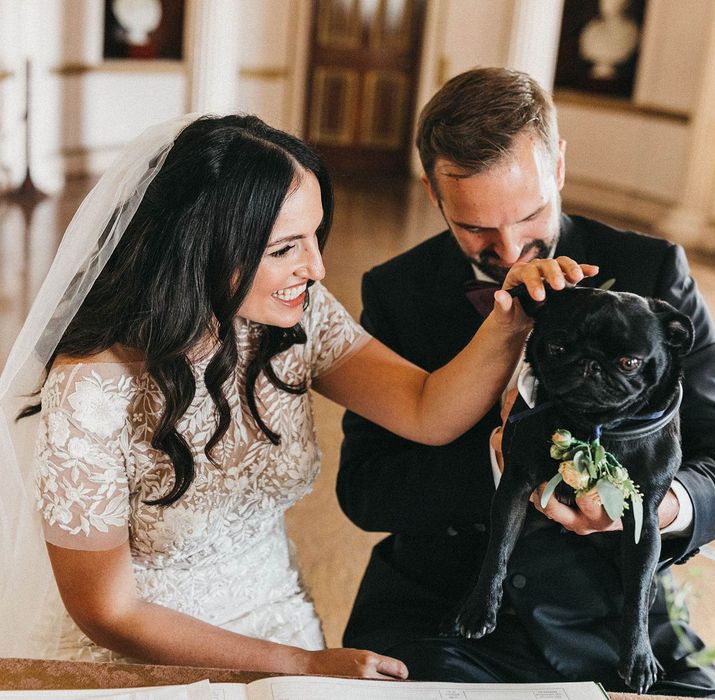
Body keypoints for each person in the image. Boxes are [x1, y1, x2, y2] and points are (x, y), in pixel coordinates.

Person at [0, 113, 595, 675]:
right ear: (199, 245)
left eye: (315, 236)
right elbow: (110, 612)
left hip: (280, 614)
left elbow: (424, 409)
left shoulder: (294, 317)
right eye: (284, 249)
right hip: (148, 652)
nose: (316, 268)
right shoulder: (91, 387)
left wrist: (510, 319)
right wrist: (304, 665)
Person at [338, 68, 715, 696]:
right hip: (442, 614)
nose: (510, 250)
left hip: (618, 620)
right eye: (476, 227)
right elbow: (366, 491)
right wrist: (500, 461)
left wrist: (658, 507)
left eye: (530, 214)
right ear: (432, 191)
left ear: (558, 165)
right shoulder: (397, 292)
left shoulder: (653, 271)